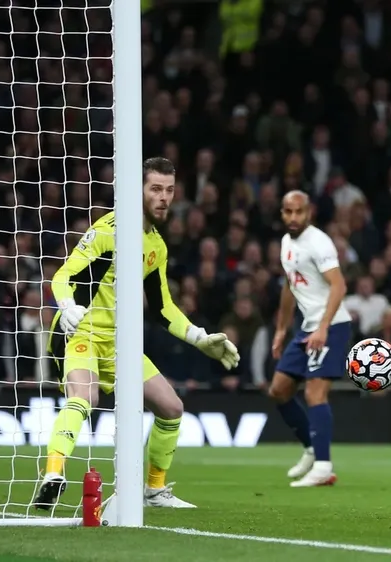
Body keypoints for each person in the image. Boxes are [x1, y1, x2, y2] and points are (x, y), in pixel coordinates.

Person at [36, 157, 241, 509]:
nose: (164, 197)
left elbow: (163, 308)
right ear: (139, 191)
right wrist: (67, 306)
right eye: (156, 189)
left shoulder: (155, 246)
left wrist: (199, 338)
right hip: (82, 330)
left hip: (121, 343)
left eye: (170, 190)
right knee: (86, 398)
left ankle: (154, 490)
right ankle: (53, 474)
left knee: (172, 407)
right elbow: (62, 275)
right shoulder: (108, 230)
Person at [268, 191, 353, 487]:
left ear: (309, 212)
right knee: (279, 390)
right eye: (288, 212)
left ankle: (323, 466)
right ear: (282, 213)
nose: (293, 217)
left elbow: (339, 286)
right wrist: (281, 328)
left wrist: (323, 328)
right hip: (307, 327)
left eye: (299, 212)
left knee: (315, 394)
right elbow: (290, 287)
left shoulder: (319, 243)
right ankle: (310, 448)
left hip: (331, 326)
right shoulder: (286, 243)